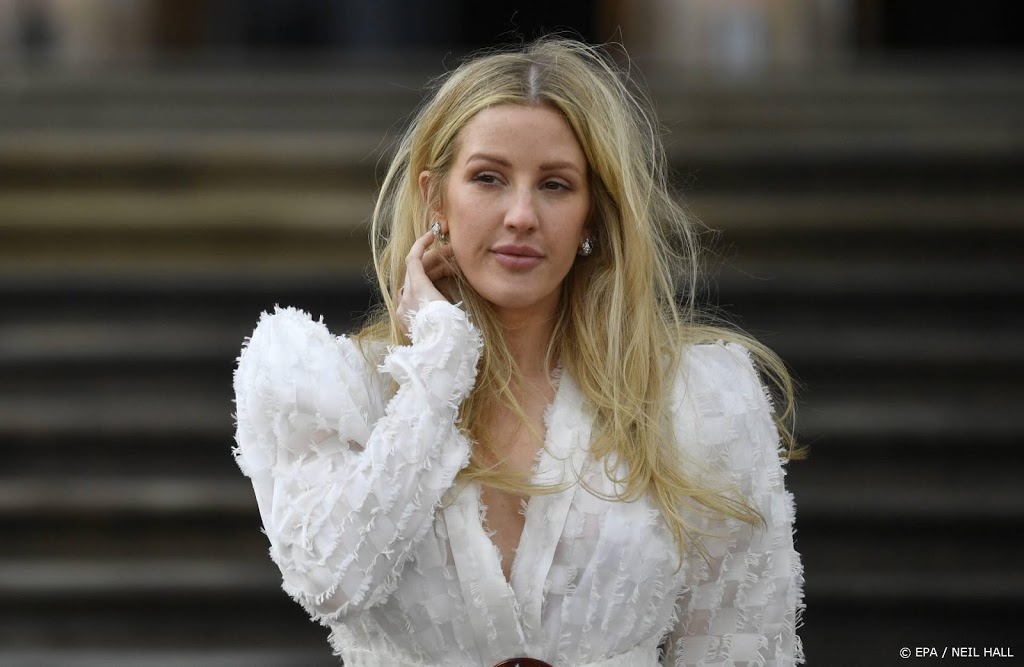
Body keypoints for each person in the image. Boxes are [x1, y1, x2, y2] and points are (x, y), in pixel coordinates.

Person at [233, 37, 804, 667]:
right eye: (489, 178)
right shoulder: (335, 388)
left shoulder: (696, 399)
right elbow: (330, 582)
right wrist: (438, 365)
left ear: (591, 216)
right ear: (435, 198)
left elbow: (744, 645)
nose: (522, 215)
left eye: (555, 185)